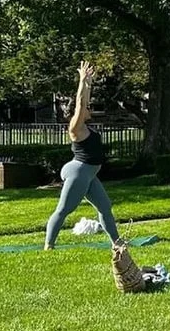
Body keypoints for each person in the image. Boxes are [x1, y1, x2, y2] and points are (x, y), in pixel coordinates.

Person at [45, 60, 121, 249]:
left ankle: (117, 243)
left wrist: (88, 82)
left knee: (105, 207)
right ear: (77, 113)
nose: (89, 108)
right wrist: (81, 81)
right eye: (86, 108)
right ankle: (48, 245)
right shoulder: (76, 127)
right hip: (78, 172)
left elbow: (83, 100)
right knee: (64, 210)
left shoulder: (84, 125)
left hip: (89, 173)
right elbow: (80, 102)